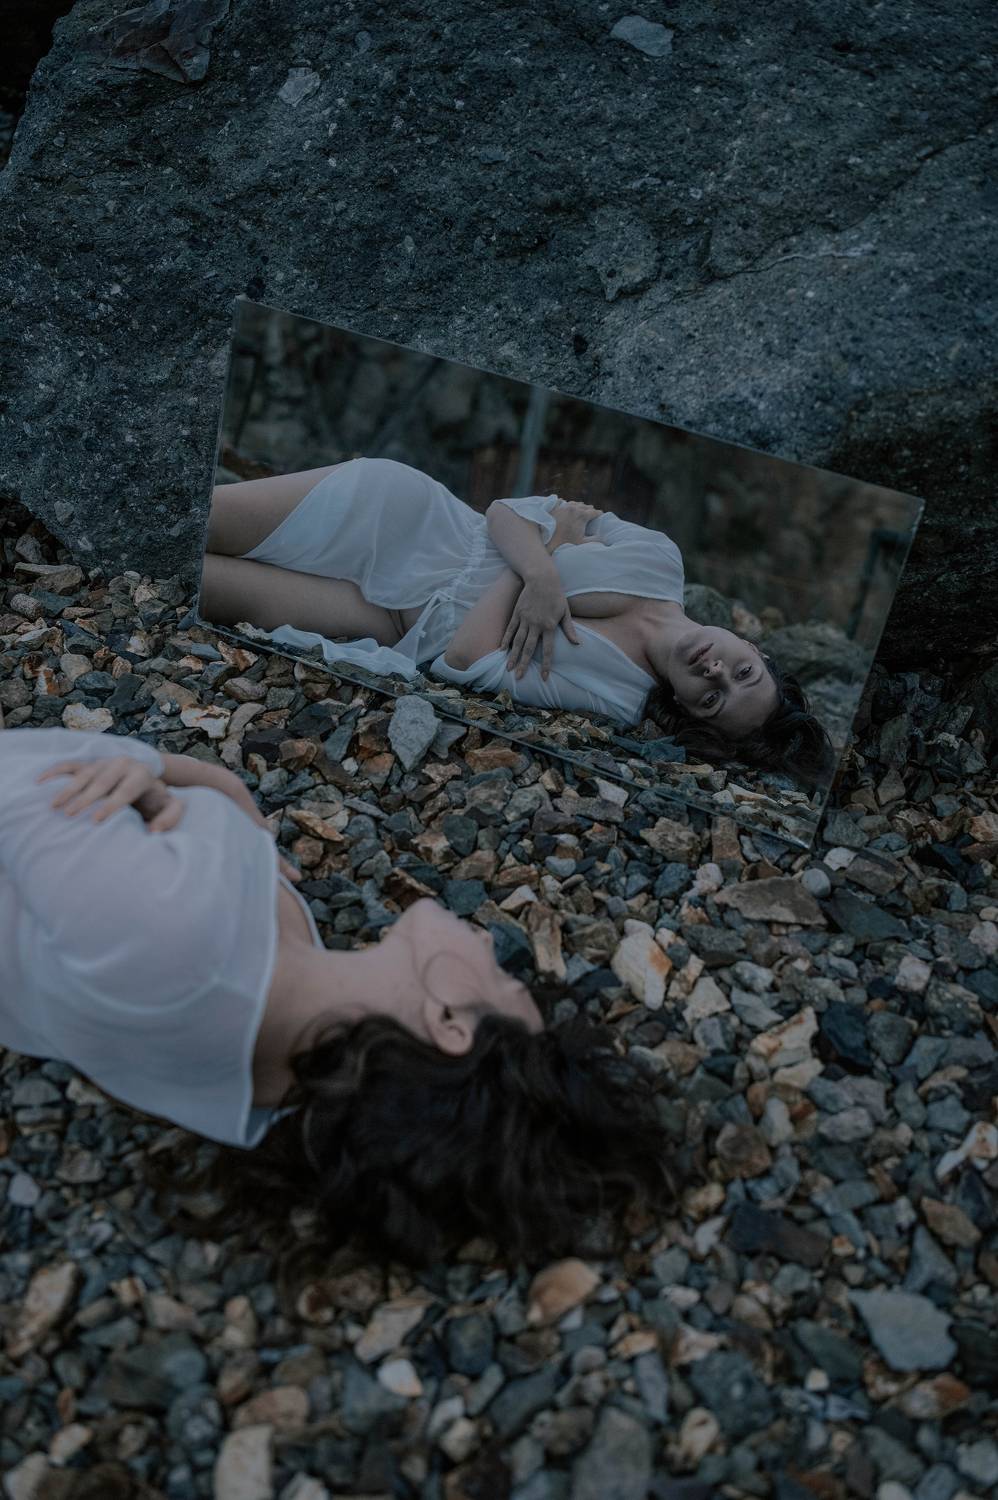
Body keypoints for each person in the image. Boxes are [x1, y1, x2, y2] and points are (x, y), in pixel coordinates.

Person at [0, 725, 682, 1285]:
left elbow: (32, 781)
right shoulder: (267, 1070)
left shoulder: (182, 940)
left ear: (449, 1023)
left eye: (504, 982)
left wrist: (166, 769)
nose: (486, 942)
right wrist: (206, 787)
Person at [202, 456, 835, 787]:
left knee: (197, 580)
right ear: (751, 646)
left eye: (714, 698)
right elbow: (506, 509)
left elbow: (462, 660)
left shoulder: (618, 696)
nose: (716, 670)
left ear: (691, 711)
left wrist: (545, 561)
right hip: (400, 516)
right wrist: (539, 575)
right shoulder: (659, 557)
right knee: (191, 520)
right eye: (743, 672)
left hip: (390, 622)